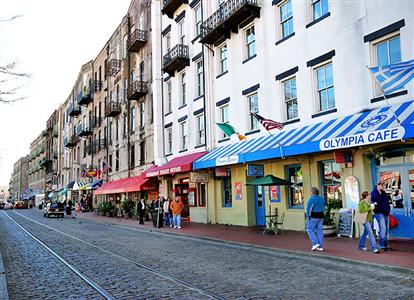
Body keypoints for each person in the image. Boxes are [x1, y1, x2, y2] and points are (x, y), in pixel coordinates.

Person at [371, 182, 392, 251]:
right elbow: (373, 203)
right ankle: (380, 244)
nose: (382, 187)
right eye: (381, 186)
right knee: (383, 228)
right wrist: (376, 208)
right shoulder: (374, 193)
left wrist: (388, 210)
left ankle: (385, 245)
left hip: (386, 213)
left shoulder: (384, 193)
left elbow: (387, 202)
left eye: (383, 186)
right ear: (377, 185)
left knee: (386, 229)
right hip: (379, 213)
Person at [306, 187, 325, 251]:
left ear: (312, 192)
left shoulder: (312, 198)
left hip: (314, 216)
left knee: (309, 229)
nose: (310, 193)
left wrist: (308, 216)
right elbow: (324, 207)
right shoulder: (321, 199)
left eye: (310, 192)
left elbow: (308, 208)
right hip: (321, 216)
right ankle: (321, 246)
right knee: (319, 231)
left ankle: (315, 243)